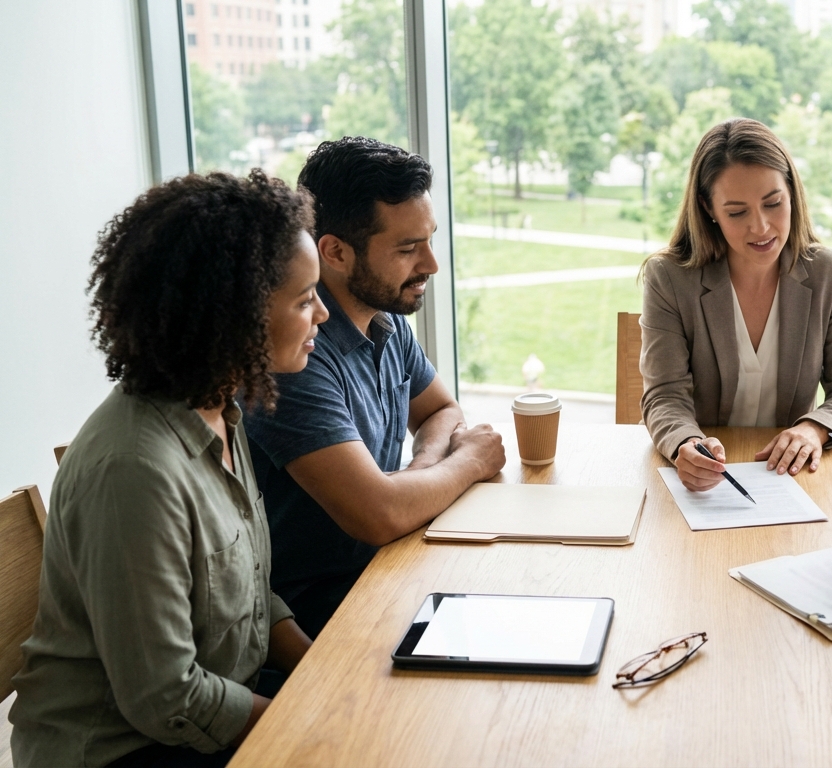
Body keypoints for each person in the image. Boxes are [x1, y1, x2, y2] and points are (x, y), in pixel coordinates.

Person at [9, 171, 325, 767]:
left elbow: (251, 590)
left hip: (204, 715)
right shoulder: (135, 470)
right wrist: (311, 725)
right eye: (305, 299)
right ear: (236, 315)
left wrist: (324, 674)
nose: (323, 314)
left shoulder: (221, 411)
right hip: (124, 749)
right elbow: (165, 697)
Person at [243, 137, 505, 638]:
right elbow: (380, 514)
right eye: (407, 249)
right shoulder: (295, 353)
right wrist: (468, 462)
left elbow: (441, 411)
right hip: (325, 615)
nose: (430, 264)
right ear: (336, 252)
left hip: (391, 573)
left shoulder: (384, 316)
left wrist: (419, 475)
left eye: (429, 240)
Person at [640, 118, 832, 491]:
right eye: (737, 212)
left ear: (792, 193)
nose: (762, 227)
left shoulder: (828, 271)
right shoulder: (669, 277)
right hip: (707, 483)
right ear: (708, 209)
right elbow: (664, 395)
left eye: (773, 203)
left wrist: (814, 428)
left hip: (792, 478)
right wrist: (687, 442)